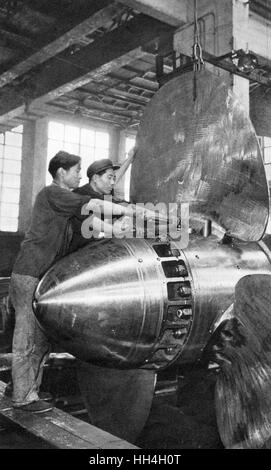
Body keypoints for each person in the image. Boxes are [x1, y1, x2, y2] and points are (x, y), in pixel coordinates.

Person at [8, 151, 96, 413]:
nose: (79, 175)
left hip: (39, 278)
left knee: (40, 338)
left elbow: (92, 210)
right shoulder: (52, 193)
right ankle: (23, 396)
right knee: (26, 338)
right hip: (29, 274)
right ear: (62, 172)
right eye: (76, 170)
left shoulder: (64, 203)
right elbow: (94, 203)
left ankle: (25, 388)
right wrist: (138, 210)